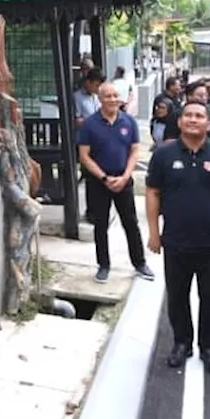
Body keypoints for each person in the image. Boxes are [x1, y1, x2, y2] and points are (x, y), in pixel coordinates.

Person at [146, 100, 210, 376]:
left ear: (208, 124)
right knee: (177, 295)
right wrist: (154, 232)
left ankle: (209, 347)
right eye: (188, 115)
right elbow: (152, 192)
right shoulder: (163, 155)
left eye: (199, 116)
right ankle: (182, 343)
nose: (192, 119)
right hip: (176, 241)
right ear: (180, 122)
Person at [77, 84, 154, 284]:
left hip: (123, 179)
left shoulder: (128, 121)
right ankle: (103, 265)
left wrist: (126, 176)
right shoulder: (90, 124)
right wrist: (104, 177)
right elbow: (84, 156)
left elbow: (135, 151)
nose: (112, 99)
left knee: (131, 223)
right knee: (100, 225)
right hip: (98, 182)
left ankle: (140, 263)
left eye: (115, 96)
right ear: (100, 99)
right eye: (107, 96)